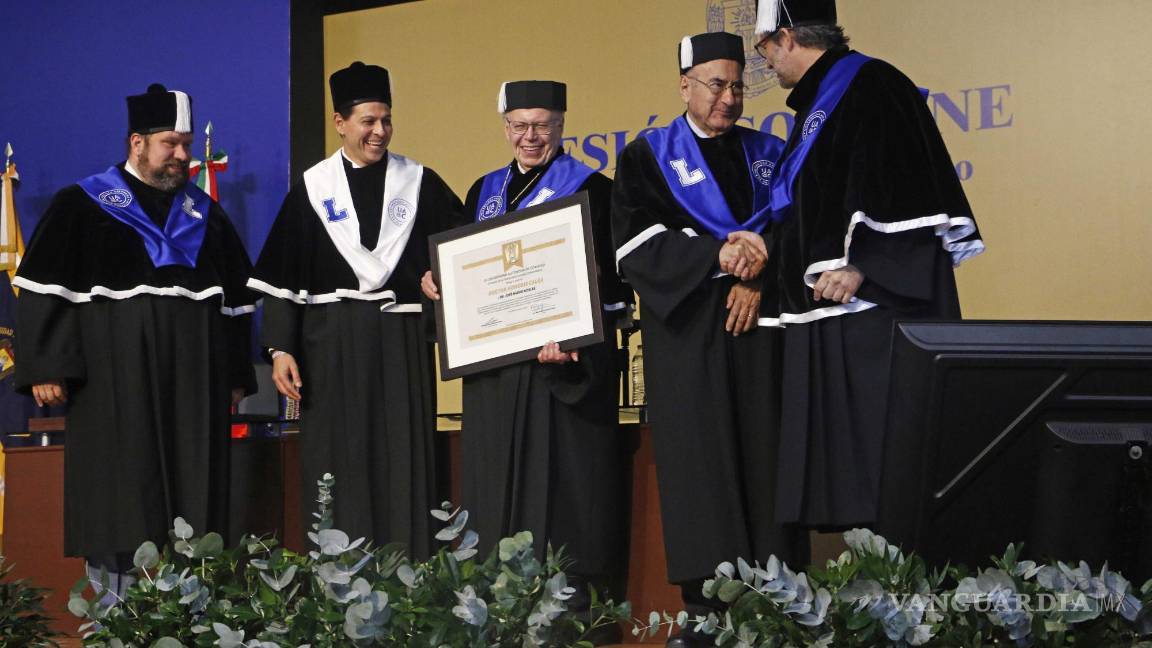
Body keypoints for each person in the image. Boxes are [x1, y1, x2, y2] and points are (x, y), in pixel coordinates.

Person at [14, 83, 257, 596]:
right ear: (136, 142)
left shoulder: (205, 215)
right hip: (112, 380)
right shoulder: (82, 205)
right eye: (171, 143)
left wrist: (236, 377)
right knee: (121, 492)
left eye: (187, 144)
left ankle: (193, 614)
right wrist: (47, 366)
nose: (183, 156)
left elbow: (235, 305)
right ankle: (117, 615)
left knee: (196, 495)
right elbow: (42, 289)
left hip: (194, 383)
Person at [752, 0, 985, 528]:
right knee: (856, 491)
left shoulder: (872, 85)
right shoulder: (818, 103)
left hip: (876, 316)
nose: (764, 60)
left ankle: (908, 597)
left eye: (765, 47)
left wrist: (865, 265)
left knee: (890, 474)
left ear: (787, 37)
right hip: (838, 318)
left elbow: (909, 188)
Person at [611, 33, 808, 647]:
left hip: (760, 334)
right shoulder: (647, 157)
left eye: (738, 85)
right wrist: (720, 259)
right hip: (690, 336)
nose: (729, 97)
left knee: (767, 459)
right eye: (716, 84)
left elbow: (800, 230)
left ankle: (781, 601)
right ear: (685, 85)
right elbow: (634, 248)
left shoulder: (772, 153)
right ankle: (706, 610)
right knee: (702, 467)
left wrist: (762, 274)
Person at [420, 80, 633, 621]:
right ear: (505, 127)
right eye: (519, 125)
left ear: (562, 126)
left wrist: (577, 343)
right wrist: (437, 282)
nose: (530, 136)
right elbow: (464, 281)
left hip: (562, 373)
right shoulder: (481, 192)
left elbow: (612, 288)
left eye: (542, 125)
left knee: (566, 491)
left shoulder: (596, 190)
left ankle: (570, 613)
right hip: (497, 378)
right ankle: (499, 608)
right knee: (495, 491)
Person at [248, 62, 464, 555]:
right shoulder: (313, 189)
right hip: (331, 342)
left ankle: (412, 575)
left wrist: (438, 274)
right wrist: (281, 347)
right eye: (368, 121)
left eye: (386, 119)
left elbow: (458, 248)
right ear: (340, 122)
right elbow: (284, 275)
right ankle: (338, 579)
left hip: (400, 338)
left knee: (404, 453)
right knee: (336, 457)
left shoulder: (420, 182)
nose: (380, 131)